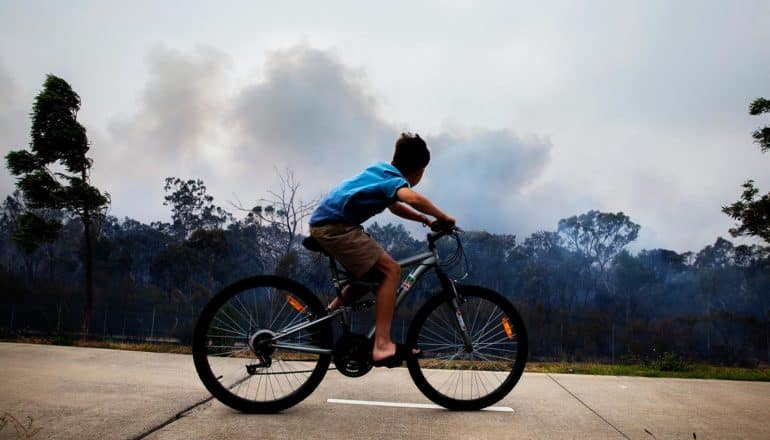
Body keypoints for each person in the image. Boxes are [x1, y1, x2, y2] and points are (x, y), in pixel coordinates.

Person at [308, 133, 455, 367]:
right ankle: (383, 345)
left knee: (373, 277)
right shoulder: (394, 181)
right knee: (391, 270)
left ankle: (323, 320)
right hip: (336, 227)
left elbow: (395, 206)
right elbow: (408, 197)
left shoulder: (381, 171)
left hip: (329, 224)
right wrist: (443, 216)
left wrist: (425, 220)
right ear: (419, 169)